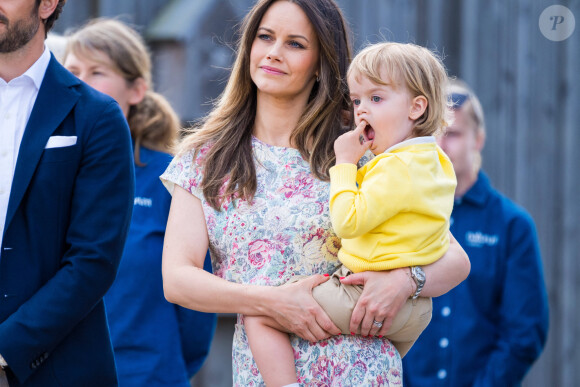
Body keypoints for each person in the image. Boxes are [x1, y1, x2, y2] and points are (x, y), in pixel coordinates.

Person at [160, 0, 470, 385]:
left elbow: (454, 258)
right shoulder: (205, 158)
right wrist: (270, 302)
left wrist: (406, 280)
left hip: (363, 370)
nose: (274, 52)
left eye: (295, 44)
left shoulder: (358, 147)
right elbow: (177, 280)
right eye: (265, 37)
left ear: (322, 62)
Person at [244, 41, 457, 385]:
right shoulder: (434, 162)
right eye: (357, 100)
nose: (361, 111)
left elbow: (348, 222)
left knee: (260, 315)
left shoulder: (395, 167)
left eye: (376, 99)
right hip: (418, 309)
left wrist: (344, 164)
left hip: (363, 293)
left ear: (417, 107)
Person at [62, 18, 217, 386]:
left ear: (136, 90)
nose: (81, 83)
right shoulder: (41, 175)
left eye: (97, 72)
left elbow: (197, 312)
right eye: (72, 71)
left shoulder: (171, 179)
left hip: (149, 376)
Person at [0, 1, 135, 386]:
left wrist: (6, 348)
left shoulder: (98, 118)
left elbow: (93, 261)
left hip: (58, 370)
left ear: (47, 5)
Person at [403, 80, 549, 387]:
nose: (441, 146)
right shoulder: (400, 216)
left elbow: (524, 333)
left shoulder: (512, 225)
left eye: (453, 134)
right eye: (432, 134)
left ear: (478, 139)